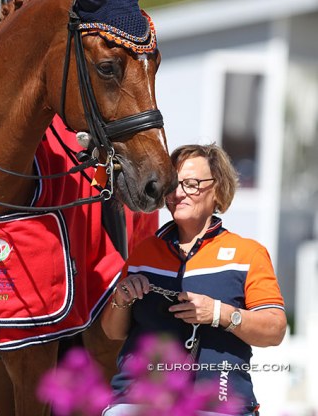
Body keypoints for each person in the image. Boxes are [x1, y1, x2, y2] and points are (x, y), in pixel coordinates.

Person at [101, 143, 287, 416]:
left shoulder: (249, 253)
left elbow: (275, 330)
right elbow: (112, 332)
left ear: (219, 191)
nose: (178, 193)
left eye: (191, 184)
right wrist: (121, 298)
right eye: (173, 184)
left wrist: (219, 313)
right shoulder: (144, 251)